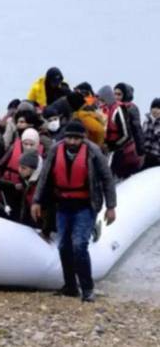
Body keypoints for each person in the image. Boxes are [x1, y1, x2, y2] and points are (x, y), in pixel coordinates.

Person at [31, 120, 116, 302]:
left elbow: (107, 179)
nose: (71, 142)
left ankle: (87, 288)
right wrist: (36, 201)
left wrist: (111, 206)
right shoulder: (56, 150)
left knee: (79, 245)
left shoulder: (93, 152)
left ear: (82, 138)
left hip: (85, 206)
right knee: (63, 246)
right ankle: (70, 286)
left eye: (76, 139)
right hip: (63, 205)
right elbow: (44, 176)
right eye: (69, 137)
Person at [97, 86, 142, 178]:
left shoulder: (118, 110)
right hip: (105, 148)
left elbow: (126, 134)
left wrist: (111, 146)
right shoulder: (104, 110)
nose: (100, 103)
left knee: (110, 175)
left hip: (118, 149)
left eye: (102, 100)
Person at [114, 83, 146, 158]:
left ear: (125, 95)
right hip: (114, 146)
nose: (116, 97)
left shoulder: (131, 108)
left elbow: (137, 129)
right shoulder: (113, 107)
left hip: (127, 147)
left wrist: (141, 150)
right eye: (114, 94)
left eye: (119, 94)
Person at [143, 98, 160, 169]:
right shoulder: (146, 121)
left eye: (158, 108)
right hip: (145, 155)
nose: (155, 110)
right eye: (153, 107)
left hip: (157, 157)